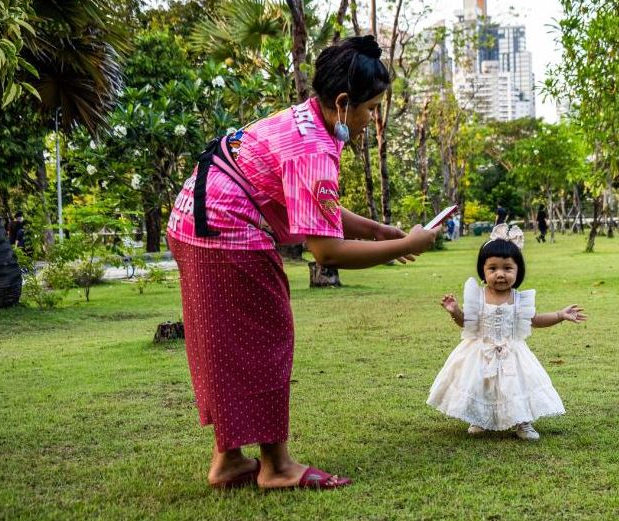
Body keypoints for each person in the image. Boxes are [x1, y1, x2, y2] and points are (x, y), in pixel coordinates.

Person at [166, 36, 441, 491]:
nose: (373, 120)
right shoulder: (314, 147)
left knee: (224, 346)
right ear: (343, 101)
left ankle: (229, 461)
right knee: (266, 341)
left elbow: (316, 208)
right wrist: (409, 244)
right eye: (371, 109)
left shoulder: (304, 119)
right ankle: (276, 466)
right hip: (227, 231)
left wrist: (379, 231)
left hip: (193, 224)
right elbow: (327, 253)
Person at [427, 224, 587, 440]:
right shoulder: (478, 296)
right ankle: (479, 418)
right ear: (483, 270)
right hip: (480, 349)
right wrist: (455, 311)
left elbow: (535, 320)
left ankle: (523, 422)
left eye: (507, 268)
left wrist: (559, 315)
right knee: (480, 384)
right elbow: (467, 323)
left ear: (517, 270)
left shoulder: (520, 299)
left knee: (516, 386)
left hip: (512, 351)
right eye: (492, 269)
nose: (500, 274)